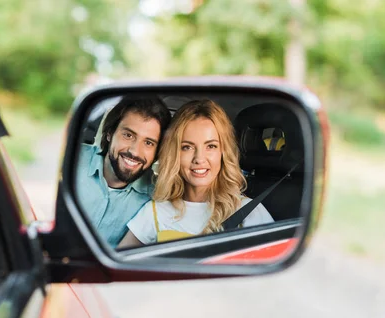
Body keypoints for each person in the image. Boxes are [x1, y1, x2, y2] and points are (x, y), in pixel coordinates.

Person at [118, 99, 273, 248]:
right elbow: (118, 264)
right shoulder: (155, 212)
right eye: (187, 147)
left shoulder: (248, 212)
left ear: (223, 152)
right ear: (175, 154)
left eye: (211, 146)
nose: (199, 159)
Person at [76, 95, 171, 247]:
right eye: (128, 135)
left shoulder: (156, 201)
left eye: (148, 143)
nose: (135, 151)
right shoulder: (74, 159)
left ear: (157, 152)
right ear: (109, 133)